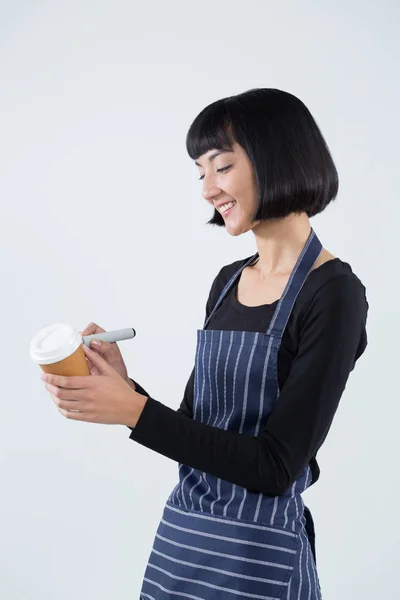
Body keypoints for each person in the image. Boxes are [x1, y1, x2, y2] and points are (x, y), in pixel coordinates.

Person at [46, 89, 368, 599]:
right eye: (200, 172)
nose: (206, 190)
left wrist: (133, 412)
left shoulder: (334, 293)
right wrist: (126, 389)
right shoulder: (227, 282)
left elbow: (275, 465)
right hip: (187, 539)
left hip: (258, 557)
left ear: (275, 155)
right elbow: (198, 433)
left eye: (221, 166)